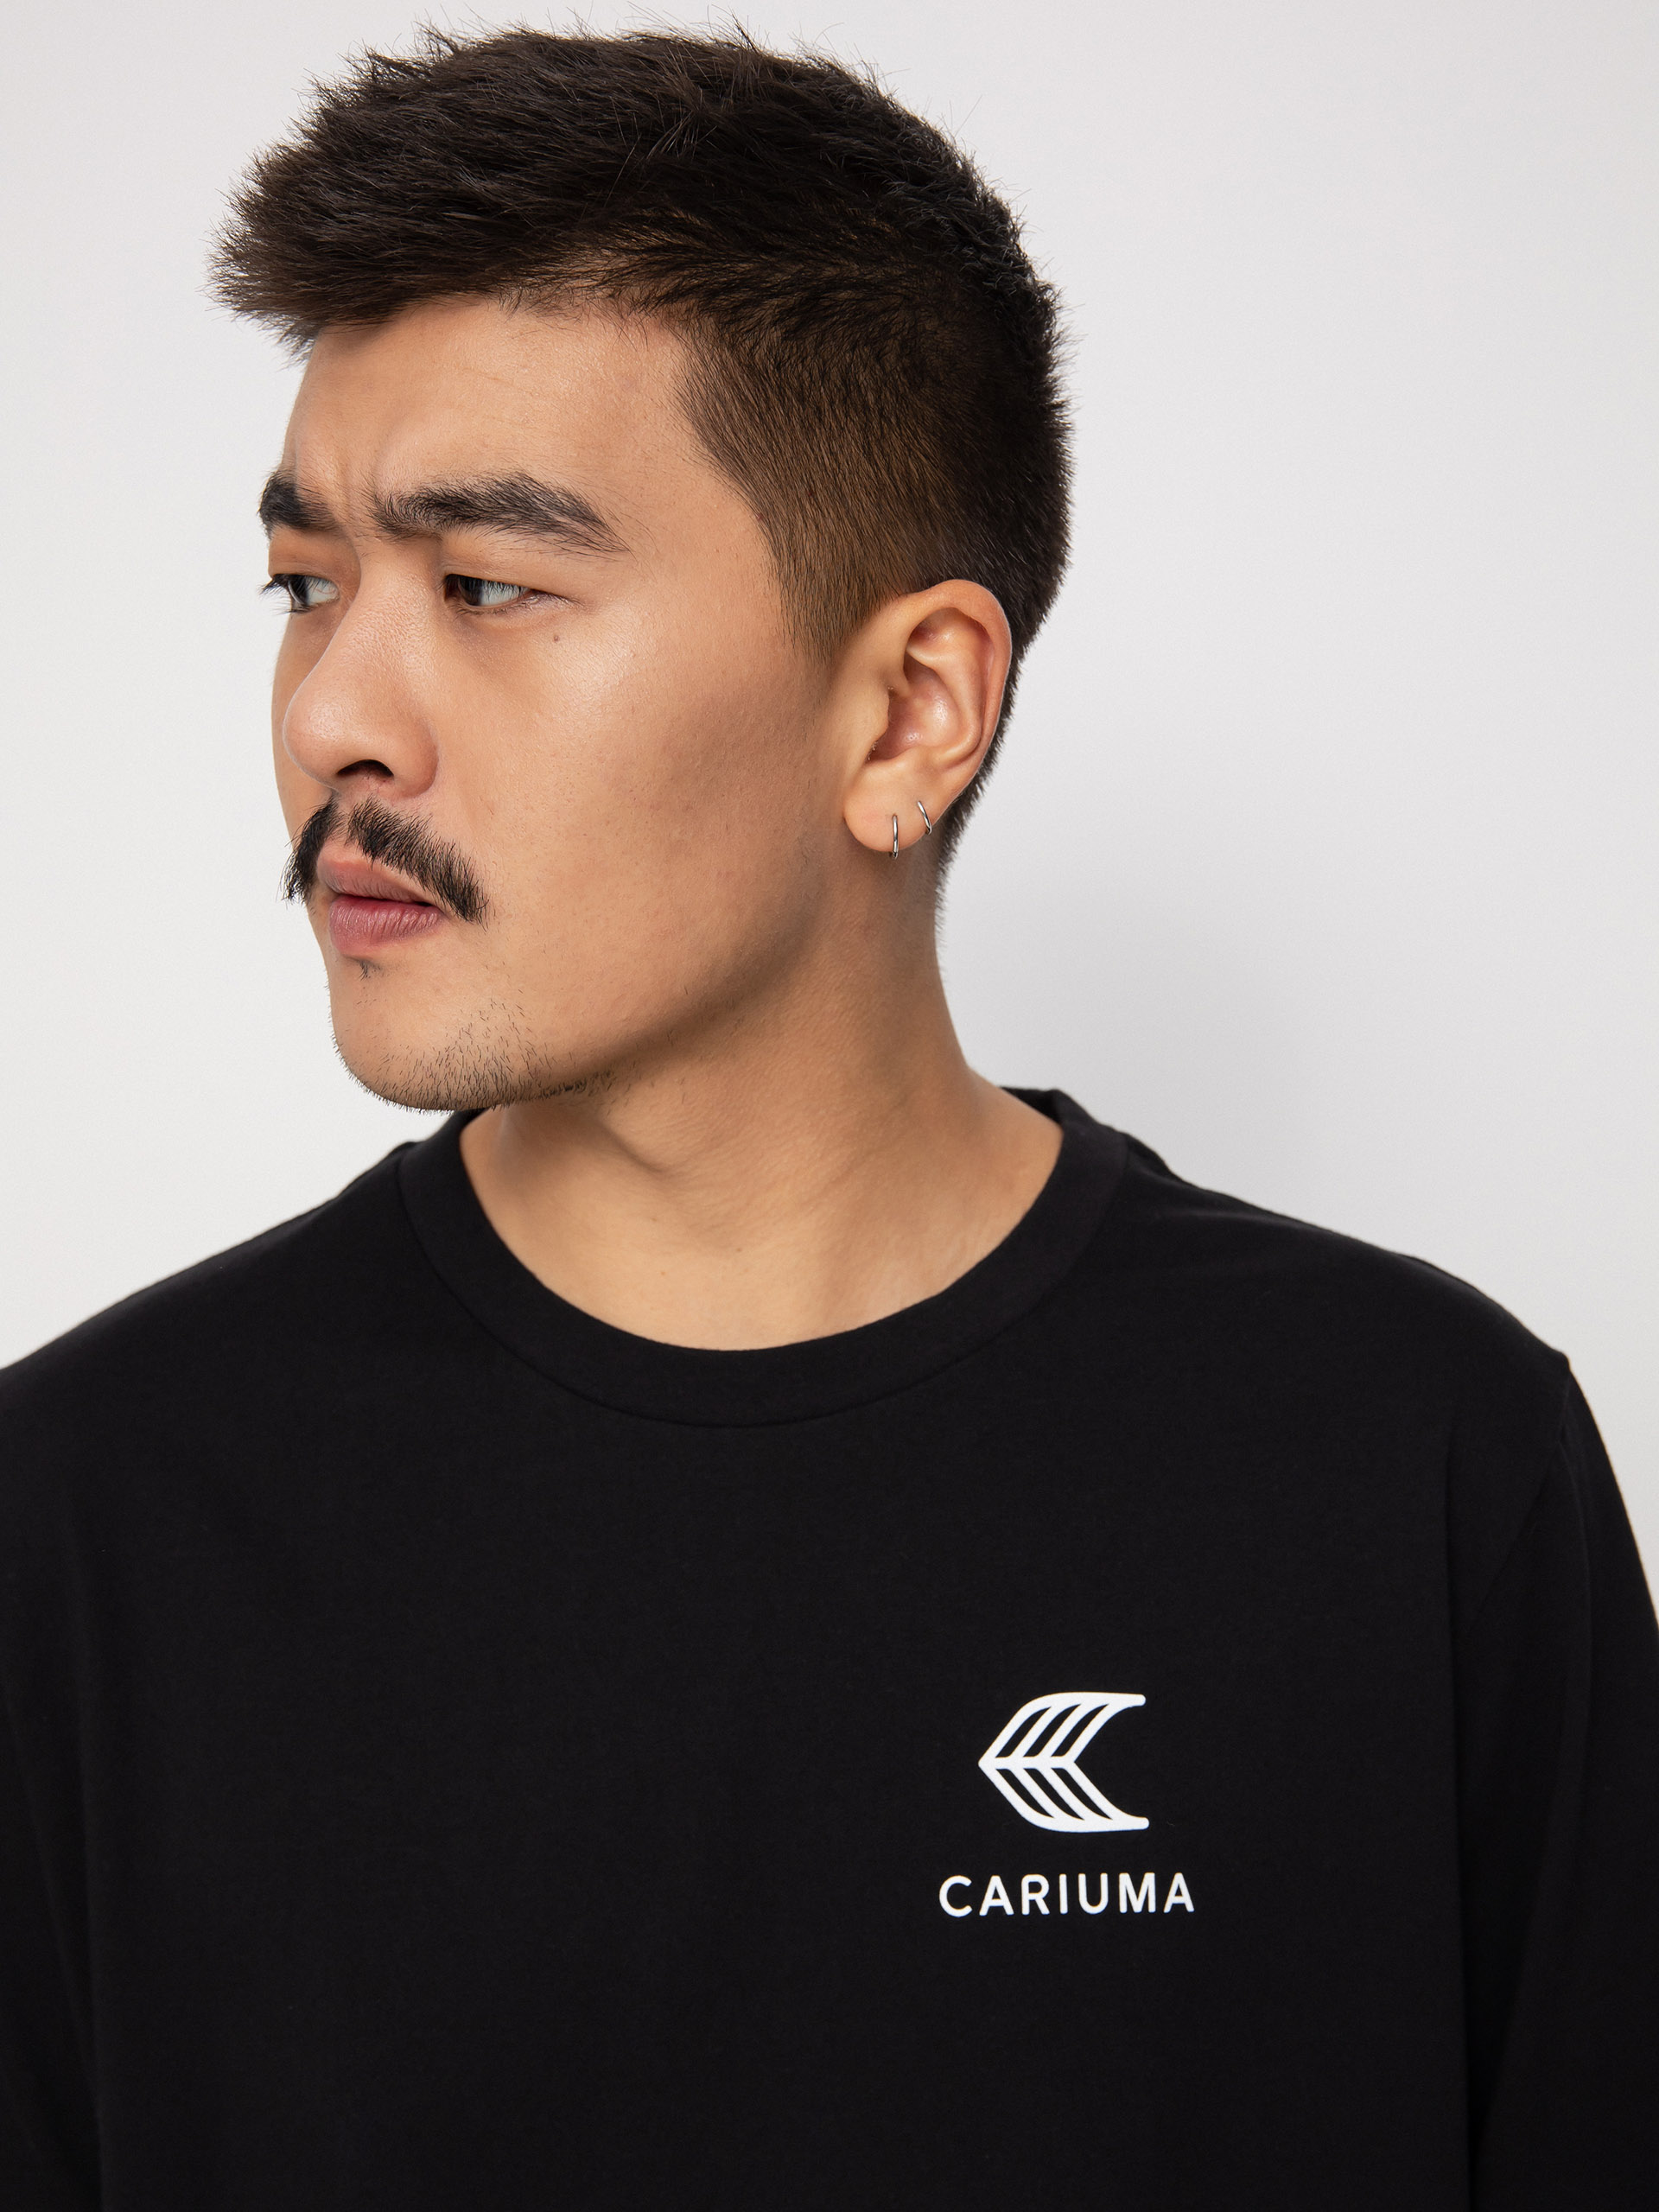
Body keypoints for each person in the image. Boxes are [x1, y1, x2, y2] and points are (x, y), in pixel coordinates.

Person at [1, 26, 1654, 2209]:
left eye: (486, 585)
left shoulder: (1416, 1463)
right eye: (308, 583)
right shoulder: (82, 1524)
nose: (334, 717)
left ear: (909, 711)